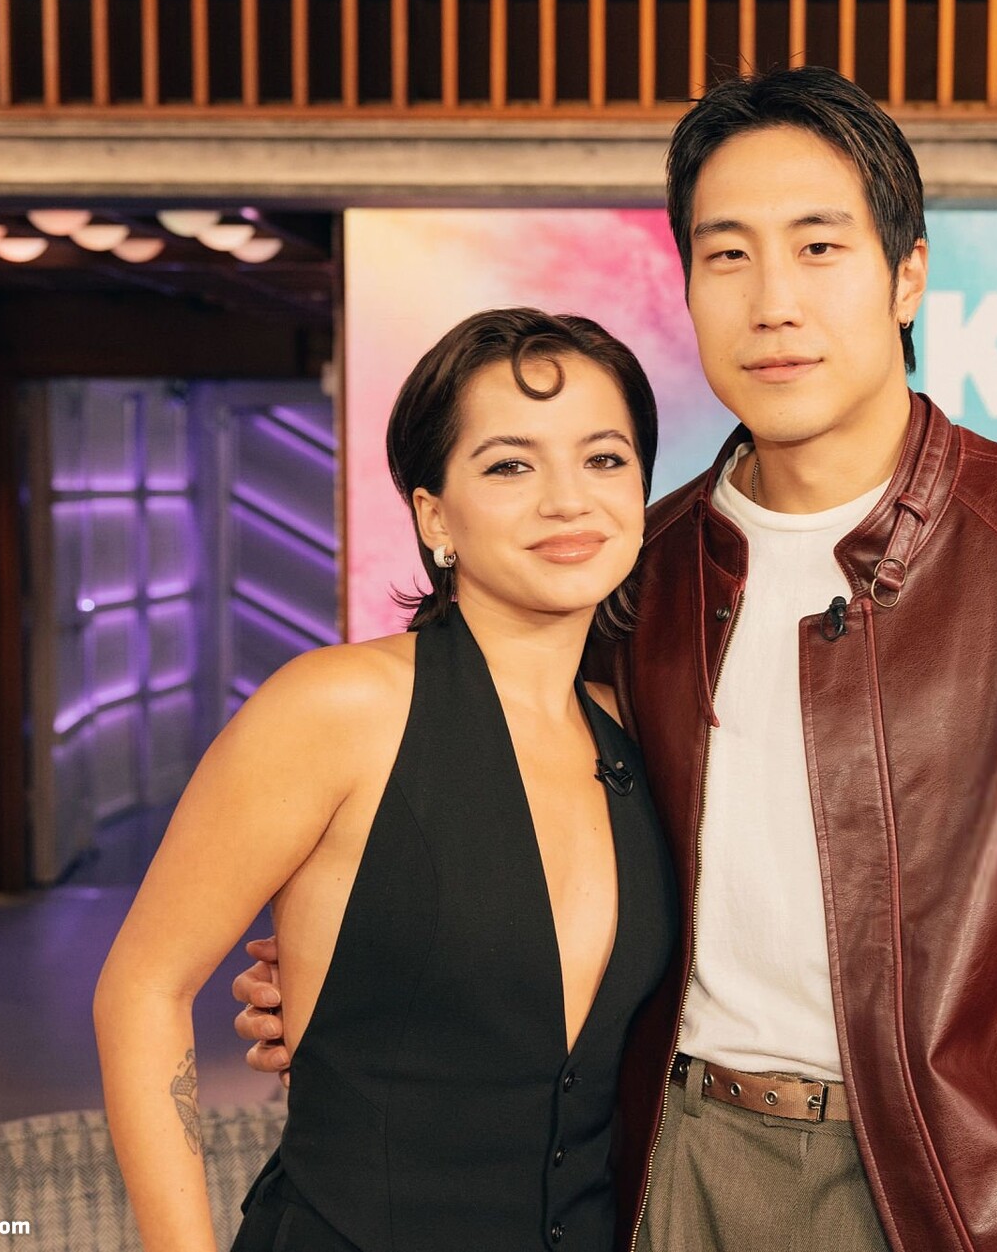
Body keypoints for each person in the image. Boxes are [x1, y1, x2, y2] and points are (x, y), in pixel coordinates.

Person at [237, 67, 997, 1252]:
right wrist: (367, 967)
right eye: (728, 255)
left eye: (819, 248)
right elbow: (517, 843)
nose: (773, 302)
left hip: (954, 1190)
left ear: (907, 275)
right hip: (662, 1166)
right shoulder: (636, 572)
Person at [96, 307, 675, 1252]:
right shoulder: (339, 707)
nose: (569, 500)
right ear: (433, 515)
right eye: (511, 465)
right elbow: (142, 987)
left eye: (604, 458)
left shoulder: (640, 732)